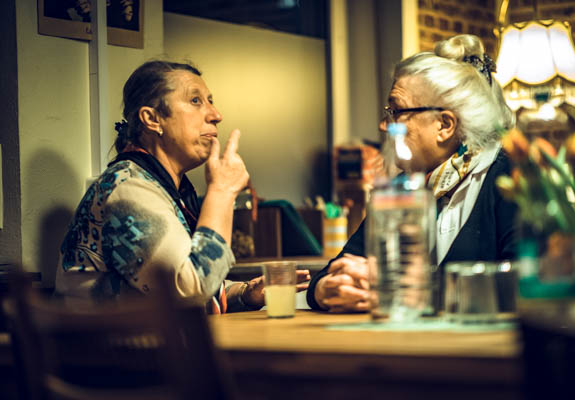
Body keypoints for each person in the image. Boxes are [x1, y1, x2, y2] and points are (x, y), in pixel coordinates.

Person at [55, 60, 309, 312]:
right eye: (196, 101)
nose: (216, 115)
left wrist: (244, 293)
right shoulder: (128, 188)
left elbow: (182, 280)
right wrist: (222, 191)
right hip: (105, 339)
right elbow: (188, 291)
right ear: (152, 119)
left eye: (210, 101)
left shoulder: (162, 187)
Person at [307, 34, 517, 312]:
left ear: (444, 125)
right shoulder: (405, 186)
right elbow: (338, 267)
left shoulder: (510, 177)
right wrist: (327, 288)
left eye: (396, 111)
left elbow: (524, 285)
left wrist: (404, 290)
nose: (384, 126)